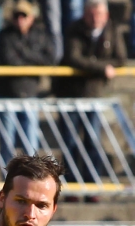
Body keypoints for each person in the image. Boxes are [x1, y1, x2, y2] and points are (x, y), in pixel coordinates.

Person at [53, 0, 126, 199]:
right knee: (70, 143)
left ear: (106, 15)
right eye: (92, 15)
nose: (95, 19)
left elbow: (120, 58)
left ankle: (92, 186)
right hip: (70, 94)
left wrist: (93, 66)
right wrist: (100, 68)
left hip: (94, 96)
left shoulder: (112, 30)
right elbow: (73, 58)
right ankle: (71, 187)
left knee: (93, 141)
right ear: (85, 15)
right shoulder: (74, 29)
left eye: (99, 15)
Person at [0, 1, 54, 164]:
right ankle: (7, 178)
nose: (20, 19)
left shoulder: (40, 35)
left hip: (30, 92)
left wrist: (23, 53)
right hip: (8, 93)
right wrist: (32, 58)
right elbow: (8, 59)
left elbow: (49, 59)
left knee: (30, 141)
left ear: (32, 18)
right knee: (7, 140)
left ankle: (31, 174)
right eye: (16, 16)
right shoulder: (5, 35)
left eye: (24, 16)